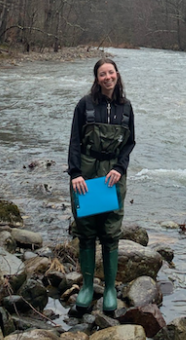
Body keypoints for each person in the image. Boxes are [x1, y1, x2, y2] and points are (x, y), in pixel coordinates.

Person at [67, 57, 136, 313]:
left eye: (111, 72)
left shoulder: (126, 107)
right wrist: (75, 173)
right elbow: (74, 140)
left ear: (117, 74)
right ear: (97, 79)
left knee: (110, 232)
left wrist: (120, 168)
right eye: (102, 74)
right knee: (86, 231)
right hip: (86, 173)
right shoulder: (84, 105)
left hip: (113, 177)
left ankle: (108, 289)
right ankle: (86, 286)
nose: (107, 77)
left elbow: (129, 144)